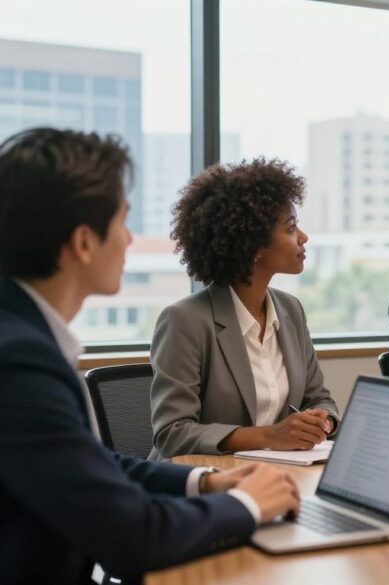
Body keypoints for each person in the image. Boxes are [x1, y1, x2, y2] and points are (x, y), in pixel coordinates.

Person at [0, 128, 300, 583]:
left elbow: (91, 464)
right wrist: (248, 503)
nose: (129, 239)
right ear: (83, 242)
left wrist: (205, 481)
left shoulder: (21, 336)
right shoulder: (19, 362)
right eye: (123, 222)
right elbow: (134, 538)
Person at [150, 158, 339, 459]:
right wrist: (269, 437)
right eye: (291, 228)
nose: (303, 237)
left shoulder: (291, 310)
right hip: (204, 484)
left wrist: (321, 421)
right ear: (252, 245)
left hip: (277, 475)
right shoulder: (185, 320)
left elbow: (319, 398)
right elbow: (172, 433)